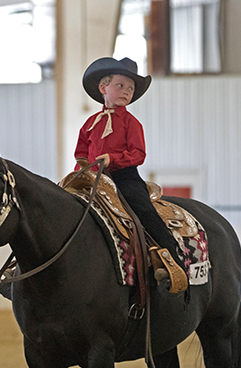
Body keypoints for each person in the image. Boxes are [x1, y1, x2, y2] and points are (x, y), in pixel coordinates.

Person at [74, 57, 186, 290]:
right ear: (103, 88)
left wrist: (112, 159)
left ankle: (172, 259)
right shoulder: (89, 124)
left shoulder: (132, 123)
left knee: (142, 209)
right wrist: (79, 174)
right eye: (121, 86)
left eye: (131, 89)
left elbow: (138, 154)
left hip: (124, 177)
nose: (127, 91)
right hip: (93, 179)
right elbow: (81, 155)